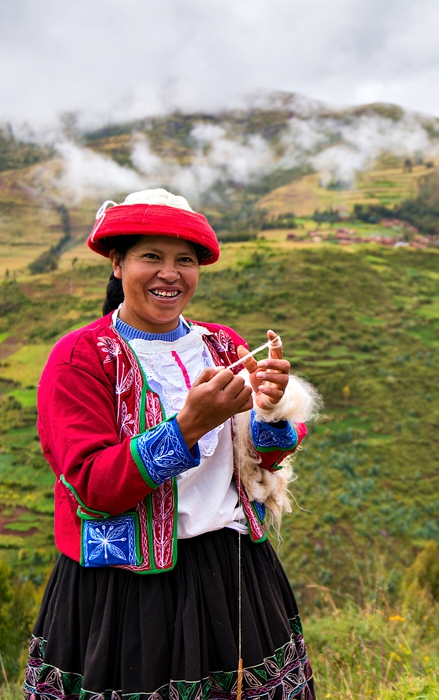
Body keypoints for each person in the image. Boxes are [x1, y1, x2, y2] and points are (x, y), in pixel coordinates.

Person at [25, 189, 319, 700]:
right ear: (117, 264)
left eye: (184, 260)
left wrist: (270, 410)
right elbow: (94, 487)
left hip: (233, 575)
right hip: (125, 594)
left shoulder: (222, 345)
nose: (170, 273)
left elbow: (261, 460)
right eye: (151, 257)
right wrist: (188, 427)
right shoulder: (80, 358)